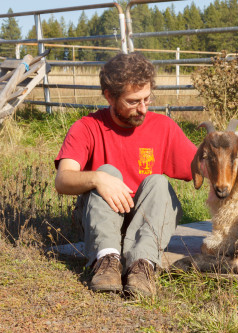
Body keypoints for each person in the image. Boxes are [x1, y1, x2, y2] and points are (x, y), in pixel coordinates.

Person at [54, 52, 197, 297]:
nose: (142, 109)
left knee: (158, 182)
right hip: (101, 220)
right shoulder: (87, 127)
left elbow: (205, 168)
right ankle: (106, 261)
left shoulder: (163, 127)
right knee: (106, 171)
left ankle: (142, 266)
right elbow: (62, 180)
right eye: (132, 102)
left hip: (146, 223)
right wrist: (98, 178)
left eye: (147, 99)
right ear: (109, 96)